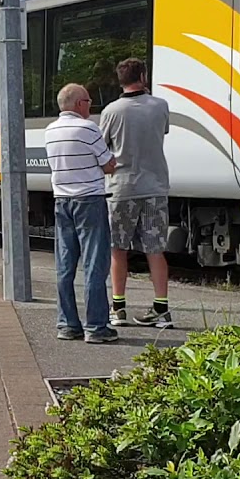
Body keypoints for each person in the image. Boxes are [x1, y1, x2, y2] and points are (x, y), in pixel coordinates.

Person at [99, 57, 173, 329]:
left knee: (118, 249)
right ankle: (161, 310)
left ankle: (118, 309)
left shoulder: (111, 111)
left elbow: (103, 145)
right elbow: (162, 132)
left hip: (122, 188)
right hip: (155, 188)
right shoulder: (160, 106)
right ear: (142, 76)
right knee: (155, 249)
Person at [44, 83, 118, 344]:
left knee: (65, 265)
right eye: (88, 100)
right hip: (89, 201)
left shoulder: (50, 131)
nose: (91, 105)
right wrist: (111, 163)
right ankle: (97, 327)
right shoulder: (88, 129)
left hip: (62, 201)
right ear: (78, 104)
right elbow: (108, 164)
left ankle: (67, 325)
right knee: (94, 264)